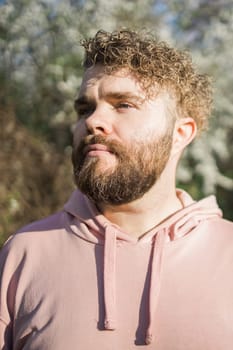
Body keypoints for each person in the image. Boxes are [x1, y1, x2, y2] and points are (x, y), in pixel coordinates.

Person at [0, 29, 233, 350]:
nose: (93, 121)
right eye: (85, 109)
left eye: (122, 104)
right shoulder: (24, 253)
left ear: (180, 134)